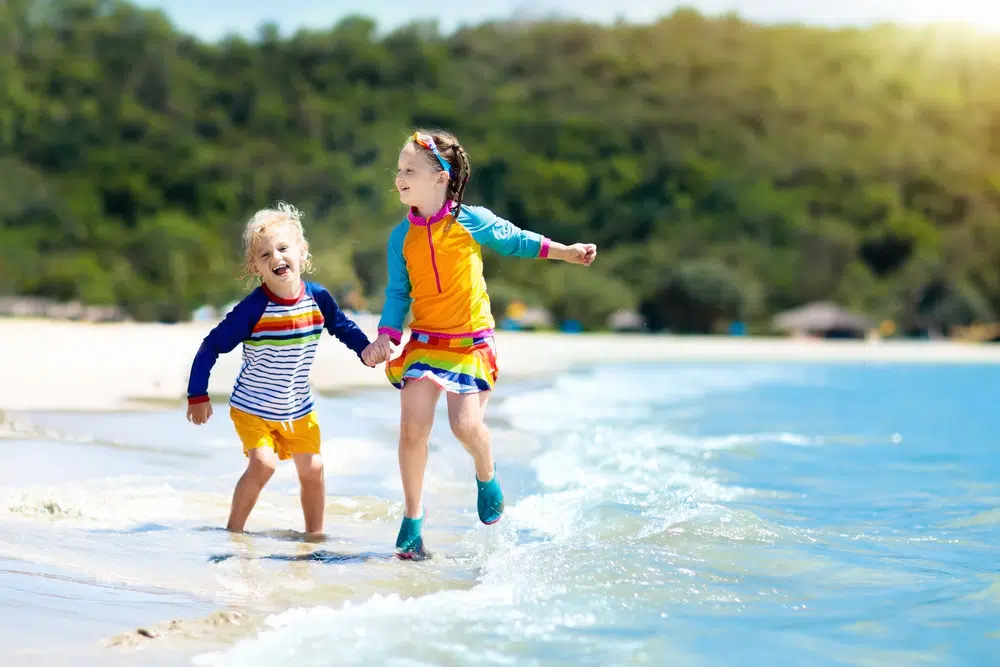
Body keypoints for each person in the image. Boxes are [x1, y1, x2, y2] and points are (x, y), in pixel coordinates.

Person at [362, 130, 597, 560]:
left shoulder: (472, 220)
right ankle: (413, 519)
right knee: (412, 428)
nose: (399, 178)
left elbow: (517, 239)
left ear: (441, 177)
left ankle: (485, 474)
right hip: (426, 342)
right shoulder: (401, 236)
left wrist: (567, 251)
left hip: (470, 343)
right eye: (398, 170)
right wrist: (387, 337)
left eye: (409, 171)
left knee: (465, 427)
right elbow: (399, 293)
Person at [186, 202, 375, 536]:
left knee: (313, 469)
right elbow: (211, 346)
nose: (276, 258)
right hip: (252, 408)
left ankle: (314, 538)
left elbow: (342, 326)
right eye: (264, 254)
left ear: (301, 251)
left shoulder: (318, 298)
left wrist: (366, 349)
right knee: (263, 464)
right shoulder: (253, 309)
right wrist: (197, 394)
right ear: (255, 267)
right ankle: (234, 532)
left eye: (283, 248)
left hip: (297, 407)